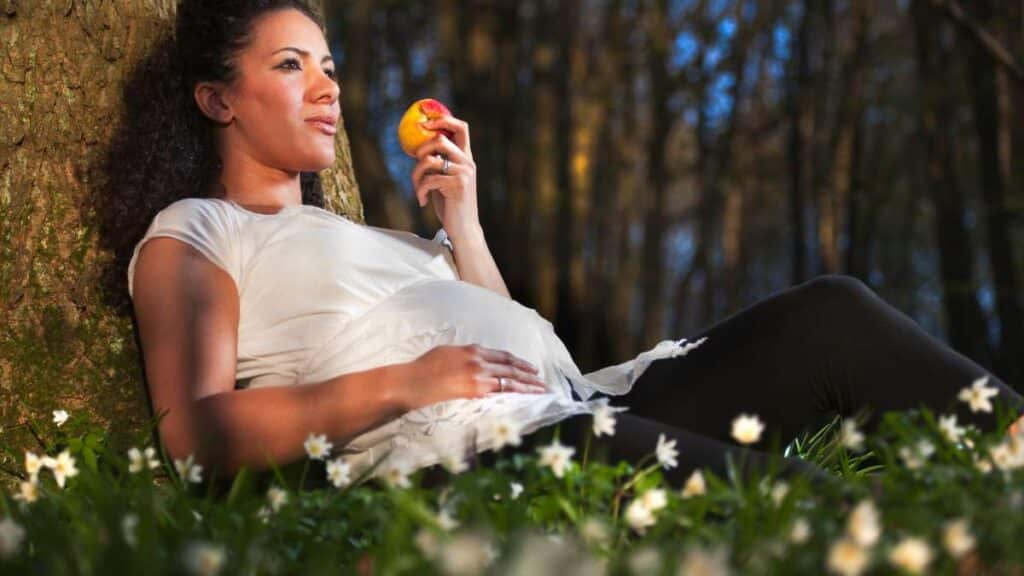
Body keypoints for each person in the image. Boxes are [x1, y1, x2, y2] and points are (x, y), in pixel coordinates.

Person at [116, 0, 1024, 492]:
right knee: (806, 505)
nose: (326, 89)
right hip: (478, 453)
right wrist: (408, 381)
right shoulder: (198, 232)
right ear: (217, 99)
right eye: (289, 66)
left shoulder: (371, 235)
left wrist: (461, 224)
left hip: (582, 398)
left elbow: (509, 328)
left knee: (834, 314)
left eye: (329, 66)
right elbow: (196, 436)